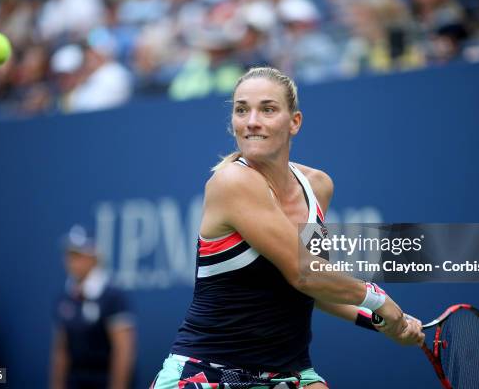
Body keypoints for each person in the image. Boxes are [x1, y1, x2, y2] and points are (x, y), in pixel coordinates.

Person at [151, 67, 424, 389]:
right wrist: (380, 302)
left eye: (267, 109)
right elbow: (304, 271)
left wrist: (384, 322)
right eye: (242, 110)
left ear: (294, 122)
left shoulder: (317, 186)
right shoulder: (232, 181)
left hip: (289, 373)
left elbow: (315, 288)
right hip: (207, 373)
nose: (252, 121)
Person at [50, 225, 136, 389]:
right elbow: (61, 351)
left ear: (94, 257)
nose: (72, 262)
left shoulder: (113, 297)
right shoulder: (64, 299)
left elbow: (123, 352)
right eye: (69, 255)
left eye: (78, 255)